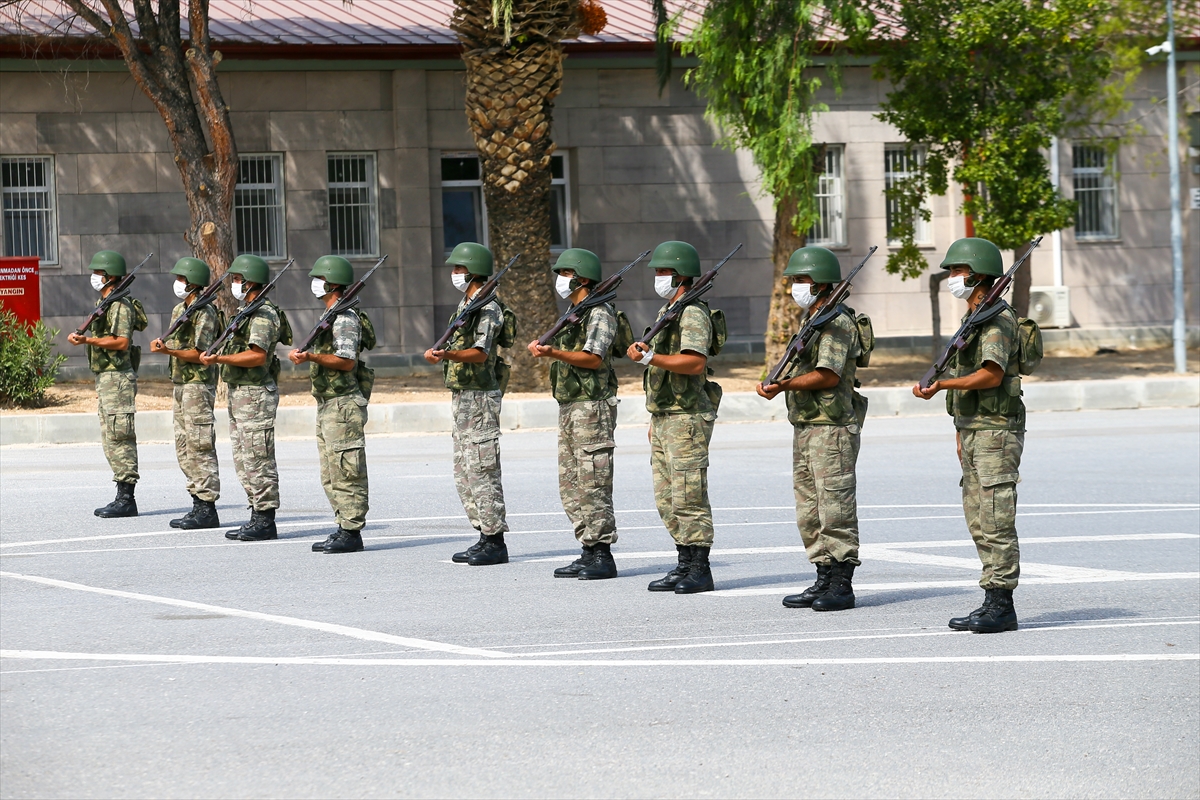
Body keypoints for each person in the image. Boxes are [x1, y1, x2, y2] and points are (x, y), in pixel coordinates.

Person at [912, 237, 1025, 634]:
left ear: (978, 274)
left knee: (995, 516)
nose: (952, 278)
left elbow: (991, 374)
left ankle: (1001, 603)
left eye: (957, 271)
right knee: (978, 516)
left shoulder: (997, 320)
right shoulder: (974, 317)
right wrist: (959, 427)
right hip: (976, 429)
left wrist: (943, 385)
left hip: (996, 431)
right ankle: (991, 597)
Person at [756, 247, 870, 611]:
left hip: (832, 427)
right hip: (807, 425)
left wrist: (784, 385)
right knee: (810, 508)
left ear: (820, 282)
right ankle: (822, 575)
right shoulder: (815, 319)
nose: (795, 287)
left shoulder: (836, 322)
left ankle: (841, 583)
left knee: (834, 506)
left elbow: (828, 374)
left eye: (802, 280)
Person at [627, 240, 724, 594]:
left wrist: (651, 359)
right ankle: (684, 562)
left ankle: (700, 568)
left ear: (681, 274)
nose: (658, 277)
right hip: (667, 415)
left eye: (664, 271)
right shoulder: (670, 309)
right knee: (667, 497)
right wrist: (655, 420)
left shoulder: (693, 312)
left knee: (688, 495)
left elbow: (694, 361)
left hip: (687, 418)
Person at [528, 248, 622, 580]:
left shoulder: (599, 313)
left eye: (565, 273)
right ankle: (588, 548)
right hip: (571, 405)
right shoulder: (576, 311)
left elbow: (593, 358)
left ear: (581, 277)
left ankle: (602, 554)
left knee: (593, 482)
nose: (560, 280)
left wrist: (554, 352)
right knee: (572, 484)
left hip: (592, 407)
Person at [424, 242, 513, 567]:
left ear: (473, 270)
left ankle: (495, 540)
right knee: (464, 472)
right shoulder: (467, 304)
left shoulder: (488, 308)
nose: (454, 274)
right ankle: (482, 534)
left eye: (458, 268)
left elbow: (481, 353)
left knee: (482, 468)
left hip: (480, 397)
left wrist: (445, 354)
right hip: (463, 397)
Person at [199, 254, 291, 542]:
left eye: (238, 280)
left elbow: (257, 355)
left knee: (257, 456)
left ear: (250, 281)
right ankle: (255, 512)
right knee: (243, 457)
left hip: (256, 394)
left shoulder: (263, 314)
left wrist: (219, 358)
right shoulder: (247, 311)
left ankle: (265, 518)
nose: (234, 284)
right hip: (241, 392)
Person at [288, 256, 372, 555]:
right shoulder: (332, 315)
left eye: (319, 277)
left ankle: (352, 531)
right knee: (330, 471)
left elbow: (346, 361)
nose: (315, 282)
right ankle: (343, 525)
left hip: (343, 403)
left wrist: (310, 357)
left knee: (346, 468)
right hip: (327, 402)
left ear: (333, 282)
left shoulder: (346, 318)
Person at [67, 250, 143, 518]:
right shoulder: (107, 302)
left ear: (110, 276)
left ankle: (127, 498)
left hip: (118, 376)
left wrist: (87, 340)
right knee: (110, 436)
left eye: (98, 273)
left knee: (120, 434)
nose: (94, 277)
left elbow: (121, 342)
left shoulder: (120, 306)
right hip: (107, 377)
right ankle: (121, 494)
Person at [150, 257, 222, 530]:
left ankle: (207, 507)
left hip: (197, 384)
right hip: (181, 383)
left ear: (193, 282)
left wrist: (167, 351)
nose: (177, 283)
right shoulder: (181, 308)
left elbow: (199, 352)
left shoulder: (205, 312)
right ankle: (196, 501)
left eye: (181, 278)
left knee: (200, 444)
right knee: (184, 445)